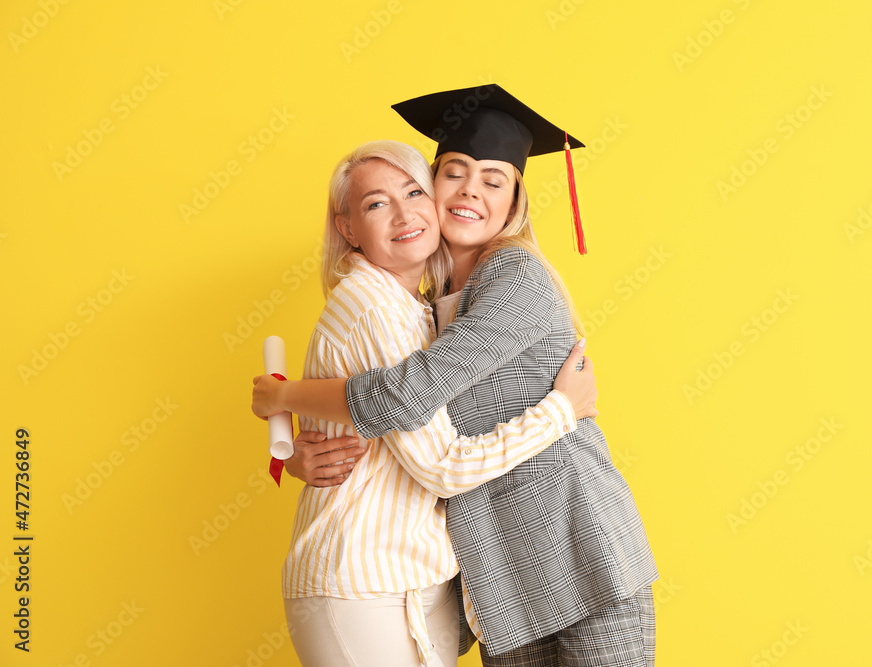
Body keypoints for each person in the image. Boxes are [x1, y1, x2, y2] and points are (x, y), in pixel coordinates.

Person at [254, 85, 658, 666]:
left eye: (494, 181)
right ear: (431, 190)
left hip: (579, 554)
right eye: (454, 173)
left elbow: (404, 397)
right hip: (500, 582)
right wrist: (298, 451)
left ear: (514, 203)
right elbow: (406, 439)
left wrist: (281, 395)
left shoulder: (515, 278)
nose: (471, 191)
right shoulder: (421, 301)